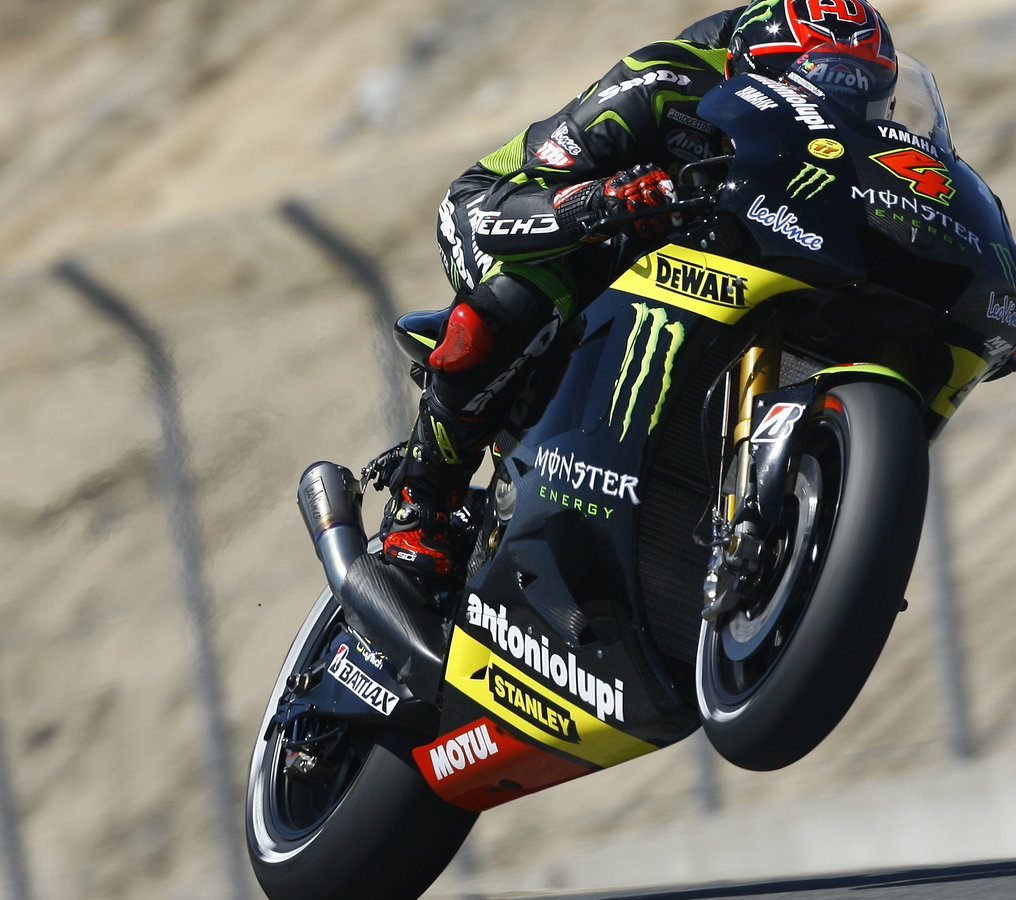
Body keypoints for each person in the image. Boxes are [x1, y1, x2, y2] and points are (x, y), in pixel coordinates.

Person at [379, 1, 899, 576]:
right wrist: (600, 200)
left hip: (671, 259)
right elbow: (504, 204)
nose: (837, 111)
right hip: (508, 206)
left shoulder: (849, 159)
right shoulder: (664, 80)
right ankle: (420, 501)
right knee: (522, 302)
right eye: (823, 88)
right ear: (758, 67)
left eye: (863, 98)